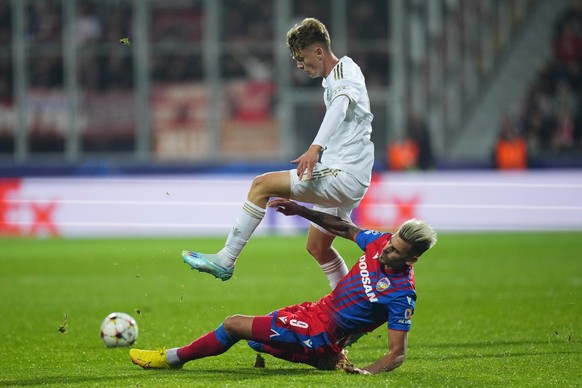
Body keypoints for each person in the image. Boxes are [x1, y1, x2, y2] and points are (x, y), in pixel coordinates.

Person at [130, 198, 437, 375]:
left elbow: (397, 353)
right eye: (391, 243)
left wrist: (366, 373)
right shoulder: (379, 242)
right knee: (255, 342)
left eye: (396, 251)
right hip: (316, 311)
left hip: (321, 331)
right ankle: (325, 359)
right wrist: (300, 210)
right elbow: (345, 227)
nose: (386, 251)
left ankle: (172, 358)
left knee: (233, 325)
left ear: (412, 260)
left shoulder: (401, 295)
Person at [182, 17, 375, 290]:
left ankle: (226, 259)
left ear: (318, 52)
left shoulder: (344, 72)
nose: (298, 64)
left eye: (301, 57)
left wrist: (315, 148)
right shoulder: (335, 78)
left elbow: (340, 106)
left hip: (345, 173)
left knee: (262, 185)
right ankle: (350, 311)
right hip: (345, 171)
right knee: (318, 248)